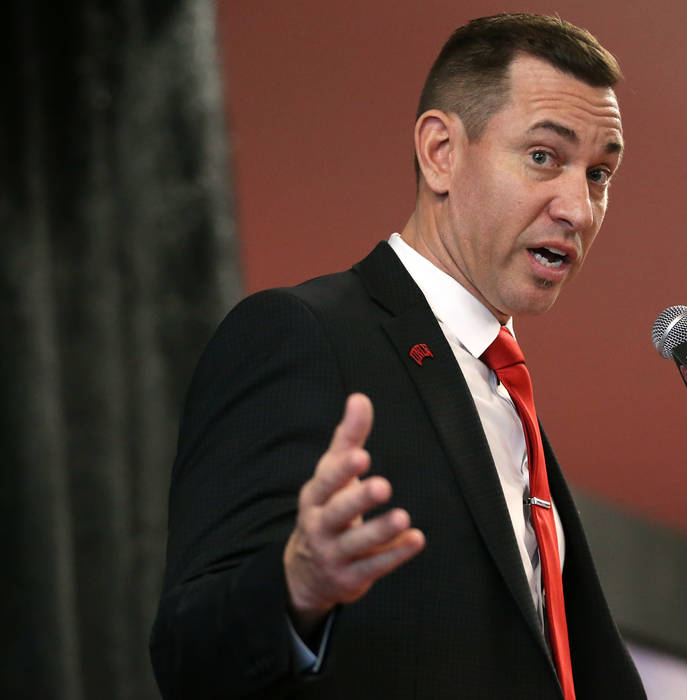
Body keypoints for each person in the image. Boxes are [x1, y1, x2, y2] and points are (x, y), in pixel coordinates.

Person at [151, 13, 646, 700]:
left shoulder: (502, 392)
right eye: (543, 157)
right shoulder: (302, 336)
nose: (579, 209)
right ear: (441, 151)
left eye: (599, 173)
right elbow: (188, 651)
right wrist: (295, 585)